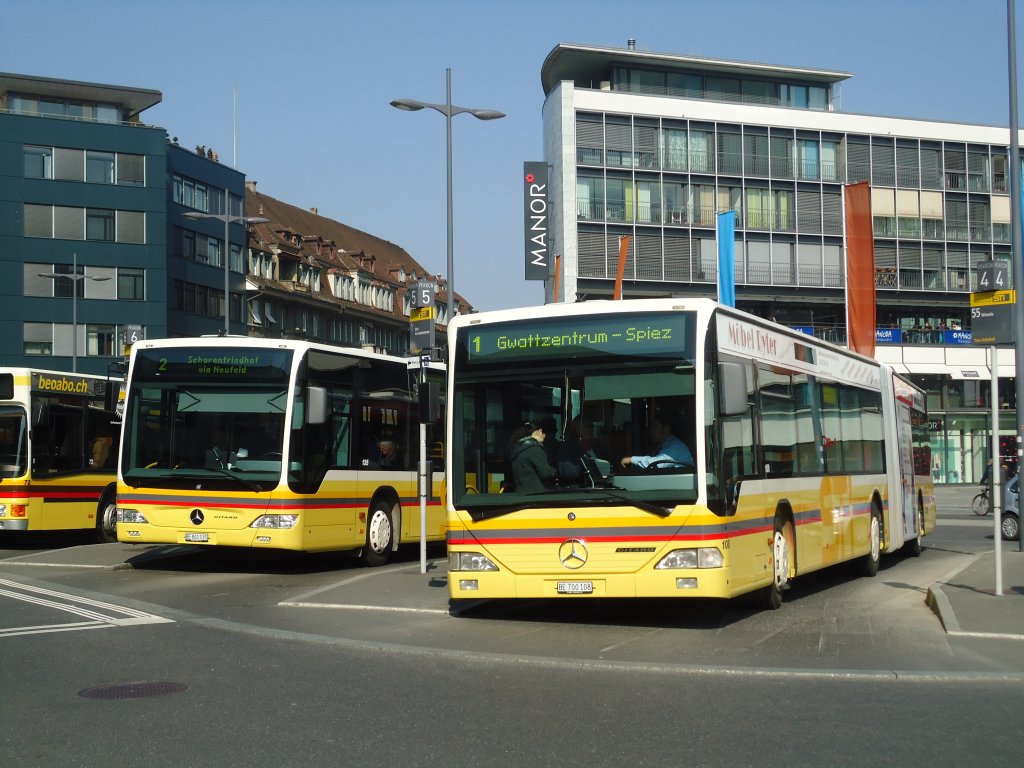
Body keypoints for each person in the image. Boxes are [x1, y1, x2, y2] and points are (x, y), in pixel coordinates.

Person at [620, 410, 694, 469]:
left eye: (655, 428)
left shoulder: (677, 447)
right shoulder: (666, 445)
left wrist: (631, 459)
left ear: (666, 430)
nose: (651, 431)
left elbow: (657, 463)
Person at [508, 421, 557, 493]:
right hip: (535, 495)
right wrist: (555, 471)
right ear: (540, 431)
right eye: (545, 434)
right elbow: (545, 472)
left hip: (521, 493)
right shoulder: (534, 448)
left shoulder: (519, 447)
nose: (545, 438)